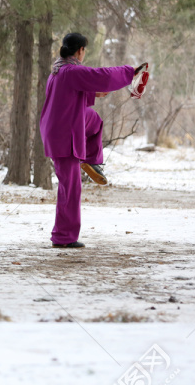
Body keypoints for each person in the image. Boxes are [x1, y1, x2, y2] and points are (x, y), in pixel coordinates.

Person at [39, 33, 146, 249]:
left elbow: (70, 94)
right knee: (70, 188)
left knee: (94, 121)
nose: (84, 55)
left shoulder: (58, 70)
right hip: (63, 134)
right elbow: (101, 75)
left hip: (58, 126)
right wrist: (129, 72)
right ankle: (63, 236)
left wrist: (94, 94)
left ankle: (90, 161)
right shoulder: (71, 70)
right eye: (84, 51)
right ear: (80, 51)